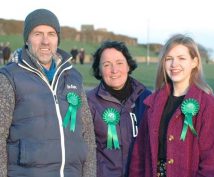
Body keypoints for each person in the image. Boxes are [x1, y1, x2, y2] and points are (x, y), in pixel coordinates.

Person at [0, 9, 96, 177]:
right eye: (38, 33)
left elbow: (87, 135)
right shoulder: (9, 78)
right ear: (27, 39)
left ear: (57, 39)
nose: (45, 41)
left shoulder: (73, 77)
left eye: (51, 34)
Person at [129, 34, 214, 177]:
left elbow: (213, 163)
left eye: (181, 58)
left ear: (194, 62)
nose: (174, 64)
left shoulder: (207, 104)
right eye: (169, 59)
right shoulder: (153, 102)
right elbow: (139, 153)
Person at [87, 40, 151, 177]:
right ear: (98, 69)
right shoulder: (88, 102)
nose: (114, 70)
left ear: (128, 65)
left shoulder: (147, 99)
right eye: (106, 64)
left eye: (119, 63)